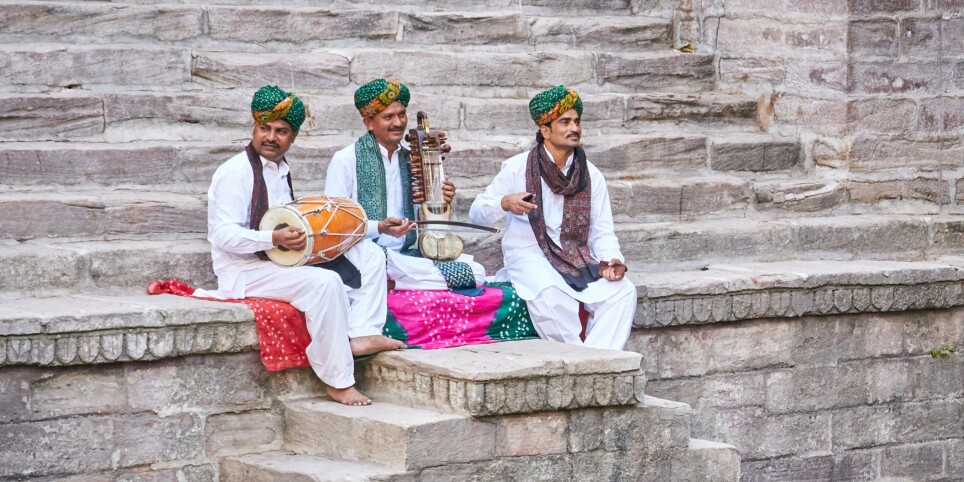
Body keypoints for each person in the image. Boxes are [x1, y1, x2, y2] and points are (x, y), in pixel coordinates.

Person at [201, 85, 403, 406]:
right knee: (324, 283)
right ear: (254, 128)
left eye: (281, 131)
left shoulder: (280, 170)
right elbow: (223, 236)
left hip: (278, 260)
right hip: (245, 269)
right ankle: (338, 381)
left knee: (368, 254)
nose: (271, 137)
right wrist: (274, 238)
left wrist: (372, 227)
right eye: (264, 128)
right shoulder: (235, 173)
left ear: (293, 137)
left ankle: (363, 331)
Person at [468, 85, 637, 350]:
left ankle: (596, 363)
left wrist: (612, 260)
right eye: (565, 122)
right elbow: (477, 213)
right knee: (551, 296)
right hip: (530, 255)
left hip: (577, 259)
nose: (575, 128)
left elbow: (602, 231)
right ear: (545, 131)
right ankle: (590, 365)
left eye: (577, 122)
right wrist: (505, 202)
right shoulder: (517, 167)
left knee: (624, 292)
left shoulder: (591, 175)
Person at [325, 78, 486, 292]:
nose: (398, 123)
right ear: (369, 123)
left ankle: (393, 283)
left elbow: (430, 226)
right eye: (388, 117)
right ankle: (394, 280)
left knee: (475, 273)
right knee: (373, 258)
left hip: (409, 255)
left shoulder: (414, 159)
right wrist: (379, 227)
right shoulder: (346, 159)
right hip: (366, 252)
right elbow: (333, 224)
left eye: (401, 114)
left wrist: (440, 200)